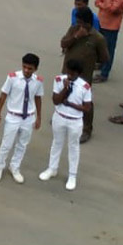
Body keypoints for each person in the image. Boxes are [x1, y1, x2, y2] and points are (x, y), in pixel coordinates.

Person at [40, 58, 91, 191]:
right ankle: (52, 168)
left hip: (75, 121)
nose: (70, 75)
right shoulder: (59, 80)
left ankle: (72, 175)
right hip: (60, 117)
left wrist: (71, 104)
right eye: (68, 72)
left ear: (78, 73)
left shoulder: (85, 86)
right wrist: (65, 88)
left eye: (73, 73)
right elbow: (56, 101)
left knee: (73, 147)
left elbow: (87, 108)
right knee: (57, 142)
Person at [0, 53, 43, 184]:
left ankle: (15, 166)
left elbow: (38, 98)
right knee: (6, 144)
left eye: (30, 68)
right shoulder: (12, 78)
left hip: (28, 117)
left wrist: (39, 117)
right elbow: (3, 95)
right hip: (13, 116)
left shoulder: (38, 81)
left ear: (35, 69)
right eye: (24, 67)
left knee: (22, 144)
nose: (26, 70)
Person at [60, 6, 108, 143]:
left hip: (84, 77)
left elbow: (104, 58)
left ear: (88, 23)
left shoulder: (98, 38)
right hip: (67, 73)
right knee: (65, 95)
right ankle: (65, 120)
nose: (78, 25)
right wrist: (76, 37)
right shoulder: (73, 30)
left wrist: (90, 62)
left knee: (85, 102)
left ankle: (87, 130)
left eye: (80, 22)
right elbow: (63, 44)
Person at [93, 0, 123, 82]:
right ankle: (101, 64)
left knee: (109, 50)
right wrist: (105, 5)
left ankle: (104, 74)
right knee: (99, 46)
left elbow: (112, 9)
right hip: (100, 22)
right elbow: (97, 2)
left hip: (112, 27)